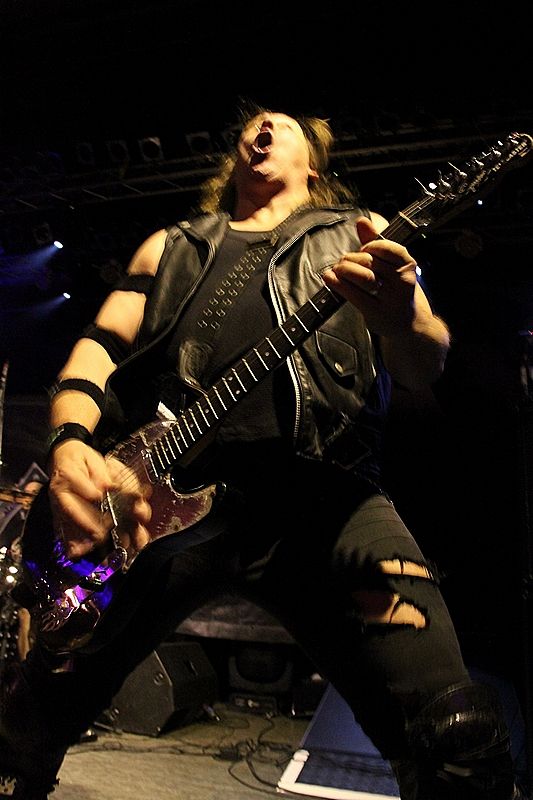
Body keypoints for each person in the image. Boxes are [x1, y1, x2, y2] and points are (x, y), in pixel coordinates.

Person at [0, 106, 526, 800]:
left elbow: (421, 364)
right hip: (156, 506)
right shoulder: (172, 245)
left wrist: (403, 318)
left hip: (327, 499)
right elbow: (99, 347)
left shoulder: (359, 233)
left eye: (284, 125)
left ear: (315, 161)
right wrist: (68, 441)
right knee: (29, 724)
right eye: (254, 125)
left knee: (454, 733)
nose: (263, 130)